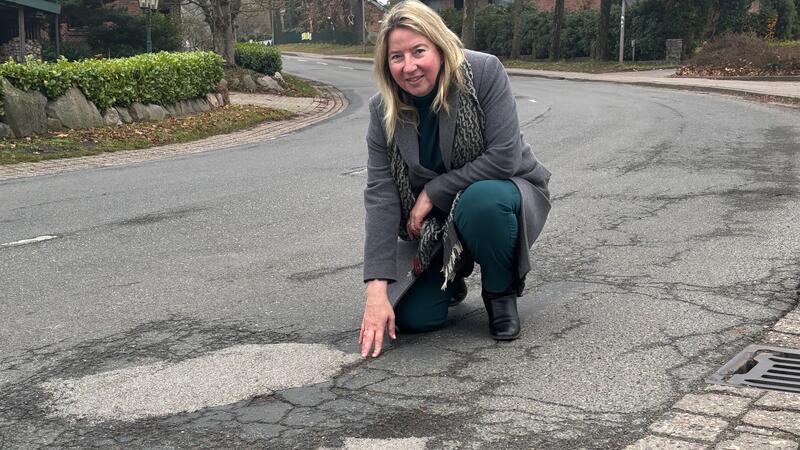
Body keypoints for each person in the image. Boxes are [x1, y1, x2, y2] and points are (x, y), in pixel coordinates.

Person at [360, 0, 551, 358]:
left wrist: (433, 191)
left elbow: (504, 158)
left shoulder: (483, 72)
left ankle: (499, 291)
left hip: (502, 193)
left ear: (441, 47)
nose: (409, 66)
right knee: (411, 318)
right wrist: (376, 290)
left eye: (419, 51)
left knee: (482, 201)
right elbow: (381, 196)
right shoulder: (381, 109)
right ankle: (454, 270)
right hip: (435, 226)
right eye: (396, 57)